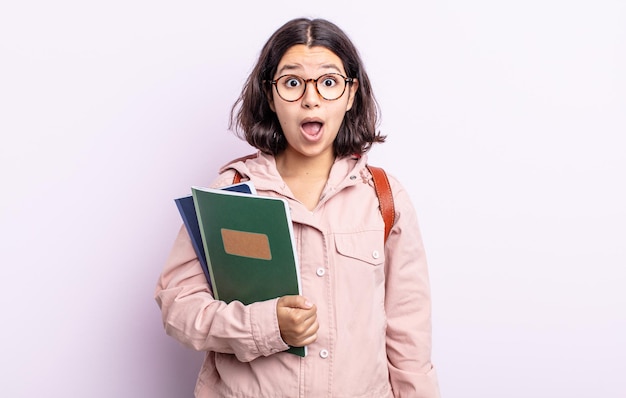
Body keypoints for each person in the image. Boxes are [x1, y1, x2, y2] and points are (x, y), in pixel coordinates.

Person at [155, 17, 441, 398]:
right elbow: (178, 307)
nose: (310, 98)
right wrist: (267, 326)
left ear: (351, 93)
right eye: (292, 83)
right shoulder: (233, 192)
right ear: (270, 95)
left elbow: (410, 343)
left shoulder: (384, 197)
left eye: (328, 82)